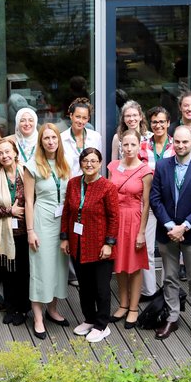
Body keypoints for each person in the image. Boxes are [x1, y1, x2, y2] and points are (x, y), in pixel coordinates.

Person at [149, 126, 191, 341]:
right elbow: (155, 199)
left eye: (185, 142)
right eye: (177, 141)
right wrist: (170, 225)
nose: (181, 145)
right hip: (167, 232)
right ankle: (172, 317)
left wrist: (183, 226)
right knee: (169, 277)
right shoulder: (162, 166)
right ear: (172, 142)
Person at [59, 147, 119, 344]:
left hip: (101, 246)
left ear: (100, 164)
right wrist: (65, 238)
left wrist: (109, 243)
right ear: (81, 162)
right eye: (86, 160)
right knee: (84, 287)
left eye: (94, 160)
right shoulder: (74, 184)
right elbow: (67, 212)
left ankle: (102, 325)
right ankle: (89, 318)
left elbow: (114, 218)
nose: (89, 164)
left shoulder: (108, 187)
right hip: (77, 244)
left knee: (101, 288)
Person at [23, 123, 72, 339]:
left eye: (54, 138)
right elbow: (27, 200)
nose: (51, 141)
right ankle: (38, 317)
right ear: (40, 142)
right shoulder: (32, 166)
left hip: (62, 223)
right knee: (41, 269)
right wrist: (30, 230)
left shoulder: (64, 163)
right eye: (46, 138)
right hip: (42, 221)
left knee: (59, 268)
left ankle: (52, 310)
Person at [107, 129, 153, 329]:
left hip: (134, 219)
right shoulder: (113, 166)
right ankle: (123, 304)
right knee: (119, 265)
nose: (128, 148)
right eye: (125, 144)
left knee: (134, 266)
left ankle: (134, 308)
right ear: (120, 146)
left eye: (133, 144)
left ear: (139, 145)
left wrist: (142, 232)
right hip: (116, 219)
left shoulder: (145, 170)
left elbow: (146, 203)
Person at [0, 139, 30, 327]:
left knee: (23, 272)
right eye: (0, 153)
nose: (4, 156)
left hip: (25, 232)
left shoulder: (27, 172)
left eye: (7, 151)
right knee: (7, 271)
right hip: (2, 233)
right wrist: (9, 211)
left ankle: (22, 309)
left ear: (15, 152)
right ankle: (10, 308)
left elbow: (34, 200)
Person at [142, 106, 175, 301]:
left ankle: (166, 289)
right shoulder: (143, 146)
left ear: (168, 123)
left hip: (170, 204)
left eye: (162, 121)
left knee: (168, 249)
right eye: (155, 122)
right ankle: (148, 290)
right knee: (146, 247)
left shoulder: (176, 145)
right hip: (147, 202)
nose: (158, 125)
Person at [60, 98, 103, 177]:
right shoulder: (62, 139)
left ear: (88, 119)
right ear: (71, 115)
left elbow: (99, 163)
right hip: (69, 185)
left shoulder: (95, 137)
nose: (81, 121)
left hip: (91, 183)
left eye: (84, 118)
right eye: (78, 117)